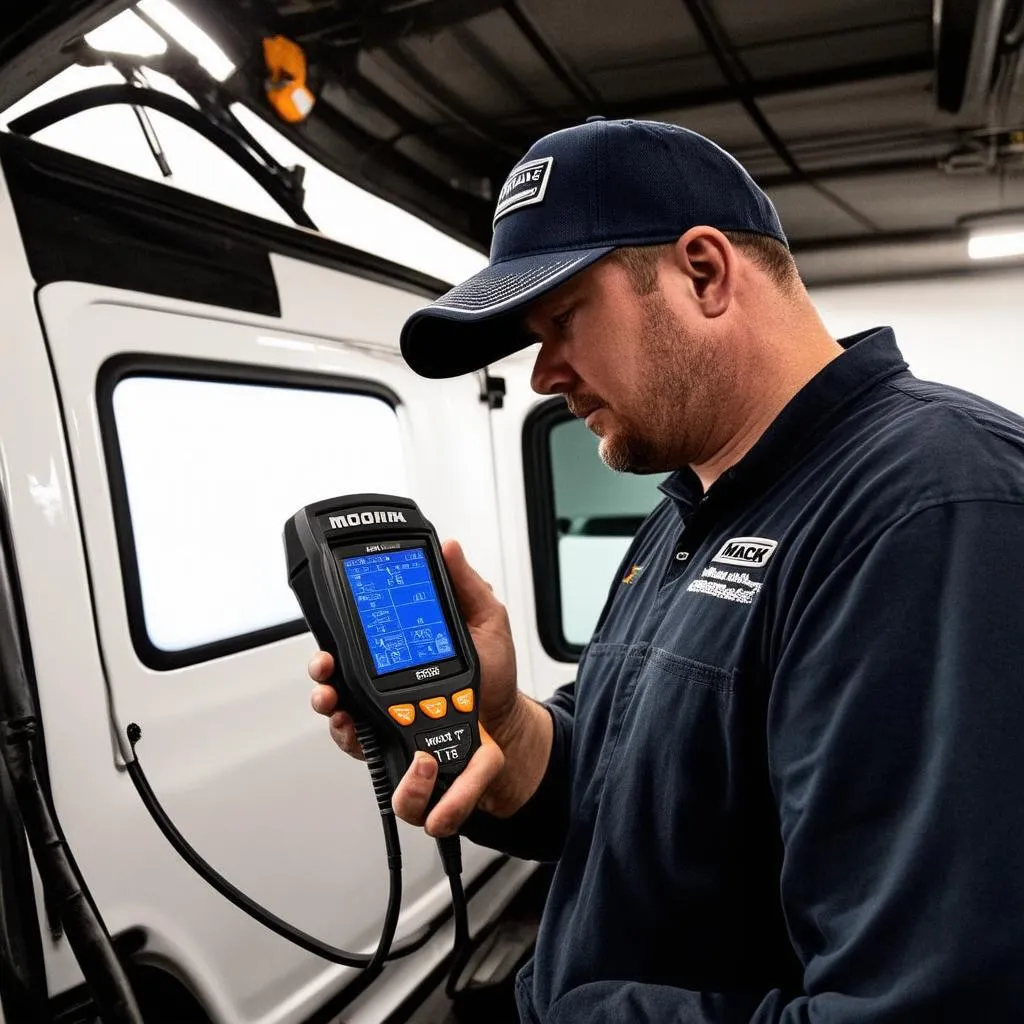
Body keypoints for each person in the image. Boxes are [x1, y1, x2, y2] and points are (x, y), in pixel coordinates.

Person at [309, 118, 1024, 1021]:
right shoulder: (691, 505)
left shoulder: (930, 510)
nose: (541, 376)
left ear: (704, 272)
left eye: (563, 319)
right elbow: (627, 784)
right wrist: (503, 721)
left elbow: (932, 1004)